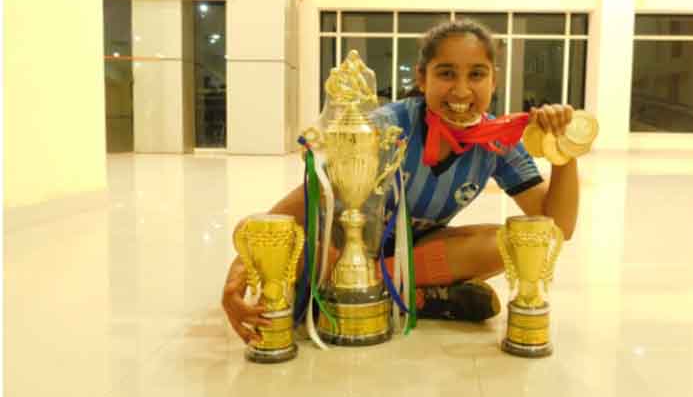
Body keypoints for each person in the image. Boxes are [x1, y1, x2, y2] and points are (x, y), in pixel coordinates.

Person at [223, 19, 579, 344]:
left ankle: (380, 290)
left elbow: (557, 227)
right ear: (423, 79)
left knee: (510, 241)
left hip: (417, 253)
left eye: (476, 74)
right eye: (446, 74)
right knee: (258, 235)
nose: (461, 90)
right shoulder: (382, 129)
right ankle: (415, 294)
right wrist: (239, 272)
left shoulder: (499, 140)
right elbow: (302, 205)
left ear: (493, 80)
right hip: (340, 251)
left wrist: (564, 149)